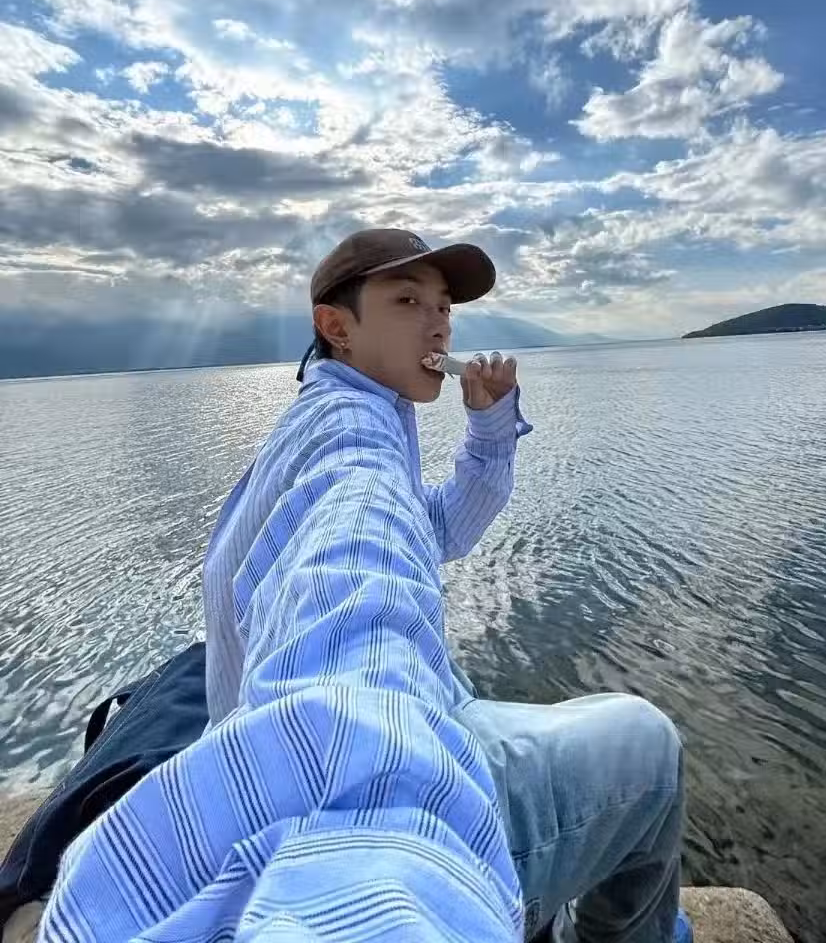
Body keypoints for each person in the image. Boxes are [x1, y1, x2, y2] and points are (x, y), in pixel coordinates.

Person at [38, 229, 689, 942]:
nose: (438, 324)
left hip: (279, 755)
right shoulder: (353, 439)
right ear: (337, 327)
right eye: (407, 301)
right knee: (648, 746)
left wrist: (489, 429)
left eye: (444, 307)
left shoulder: (343, 411)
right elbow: (356, 577)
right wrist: (370, 880)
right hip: (354, 808)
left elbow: (437, 531)